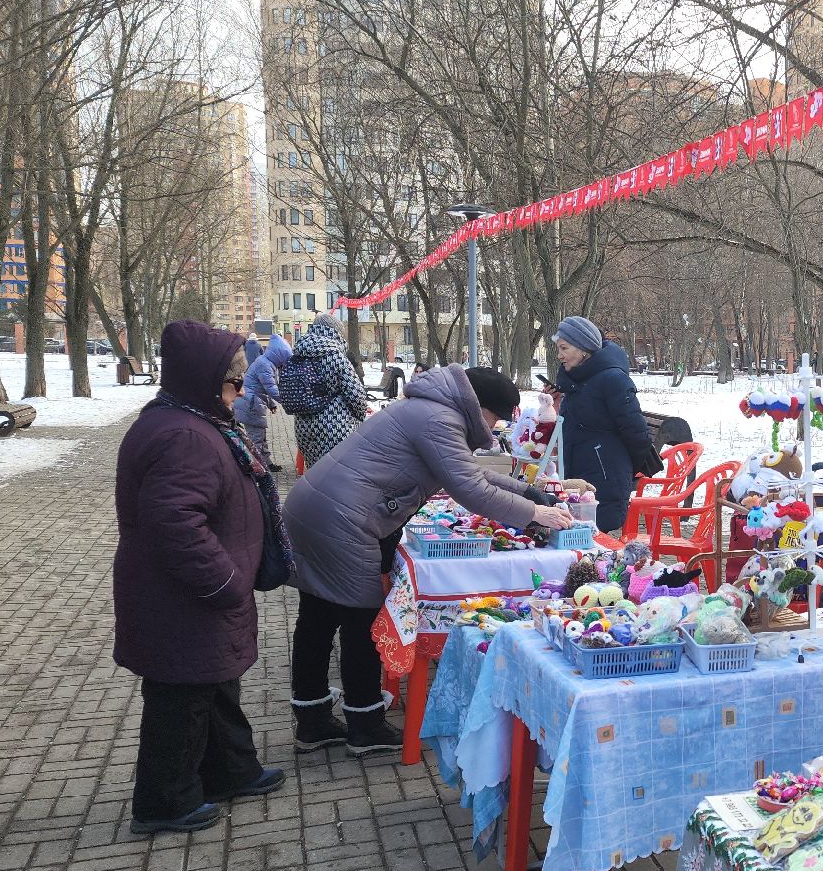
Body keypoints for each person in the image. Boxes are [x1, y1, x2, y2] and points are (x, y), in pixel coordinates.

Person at [283, 365, 573, 754]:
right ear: (480, 407)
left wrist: (531, 494)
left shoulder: (430, 409)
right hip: (343, 520)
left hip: (317, 508)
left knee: (317, 616)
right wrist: (535, 514)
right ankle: (365, 725)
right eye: (497, 417)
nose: (494, 428)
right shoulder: (439, 419)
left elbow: (471, 474)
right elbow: (470, 488)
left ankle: (313, 720)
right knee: (358, 621)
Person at [113, 320, 285, 836]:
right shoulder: (186, 434)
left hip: (194, 592)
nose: (238, 394)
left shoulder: (191, 420)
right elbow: (174, 522)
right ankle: (165, 800)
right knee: (180, 698)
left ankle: (230, 770)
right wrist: (224, 580)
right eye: (233, 385)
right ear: (205, 382)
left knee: (214, 684)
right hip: (185, 594)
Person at [552, 316, 662, 534]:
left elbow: (636, 431)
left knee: (595, 536)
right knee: (576, 535)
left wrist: (616, 466)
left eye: (564, 348)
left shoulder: (612, 379)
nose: (559, 355)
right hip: (579, 468)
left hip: (604, 474)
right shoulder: (577, 380)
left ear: (584, 349)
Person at [283, 315, 369, 470]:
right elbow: (356, 395)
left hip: (303, 427)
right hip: (334, 426)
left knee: (316, 475)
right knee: (337, 476)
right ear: (336, 331)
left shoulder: (297, 354)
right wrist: (360, 416)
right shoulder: (334, 355)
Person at [236, 334, 291, 473]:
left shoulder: (266, 362)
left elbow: (265, 387)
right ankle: (256, 467)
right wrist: (289, 401)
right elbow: (271, 388)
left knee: (261, 435)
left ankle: (266, 463)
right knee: (256, 438)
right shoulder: (265, 365)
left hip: (252, 402)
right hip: (251, 404)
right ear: (279, 356)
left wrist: (272, 404)